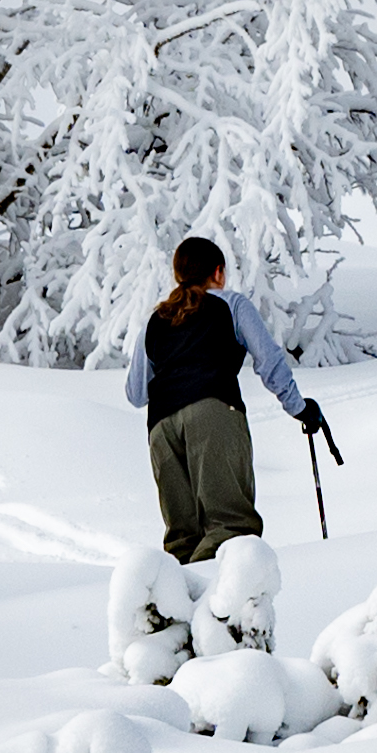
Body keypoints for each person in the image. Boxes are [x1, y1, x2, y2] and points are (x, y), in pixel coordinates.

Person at [129, 235, 325, 564]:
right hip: (213, 411)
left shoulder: (155, 321)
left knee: (182, 538)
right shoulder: (231, 304)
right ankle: (224, 609)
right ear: (218, 272)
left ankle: (186, 608)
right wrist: (299, 408)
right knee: (231, 526)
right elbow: (269, 360)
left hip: (161, 427)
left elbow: (136, 393)